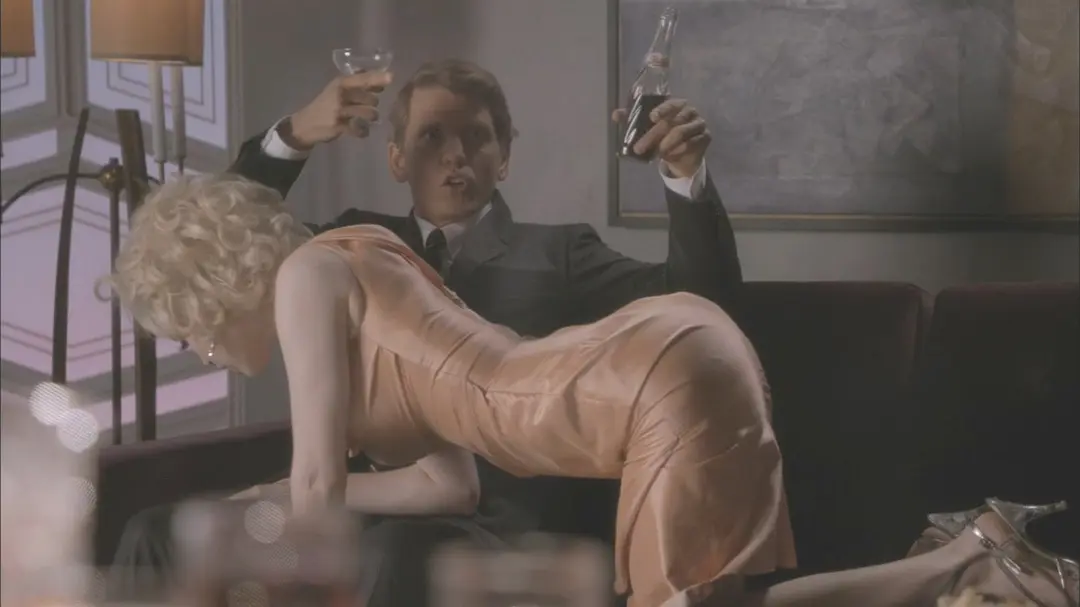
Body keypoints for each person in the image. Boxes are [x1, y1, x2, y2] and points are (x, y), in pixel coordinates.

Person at [102, 174, 1076, 607]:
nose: (197, 347)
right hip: (661, 357)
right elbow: (449, 487)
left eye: (186, 322)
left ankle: (973, 559)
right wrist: (284, 492)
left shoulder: (308, 276)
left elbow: (316, 495)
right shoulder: (356, 268)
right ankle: (974, 554)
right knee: (717, 606)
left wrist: (263, 505)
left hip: (646, 377)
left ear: (214, 280)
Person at [108, 58, 743, 605]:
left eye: (476, 136)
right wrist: (296, 132)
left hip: (503, 523)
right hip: (399, 502)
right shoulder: (353, 242)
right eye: (431, 135)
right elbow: (216, 238)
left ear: (504, 157)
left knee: (398, 553)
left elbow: (701, 302)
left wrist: (684, 174)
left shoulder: (560, 252)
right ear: (397, 158)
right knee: (158, 529)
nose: (454, 154)